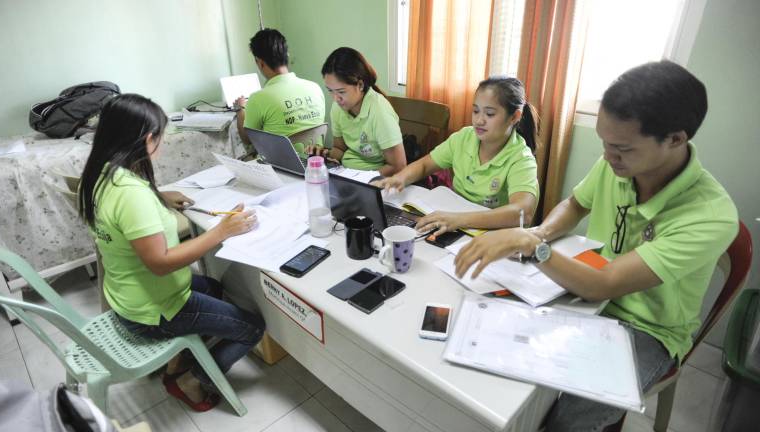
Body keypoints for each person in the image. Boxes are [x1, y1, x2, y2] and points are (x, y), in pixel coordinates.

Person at [453, 61, 738, 431]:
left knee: (569, 418)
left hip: (645, 328)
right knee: (498, 355)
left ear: (675, 139)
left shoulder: (710, 215)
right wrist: (539, 234)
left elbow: (604, 284)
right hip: (585, 294)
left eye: (621, 148)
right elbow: (575, 204)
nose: (607, 157)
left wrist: (533, 246)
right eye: (604, 143)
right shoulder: (618, 163)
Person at [78, 94, 265, 412]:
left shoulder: (101, 174)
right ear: (148, 139)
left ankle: (178, 358)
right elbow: (161, 264)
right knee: (253, 328)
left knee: (215, 288)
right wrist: (222, 231)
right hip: (153, 308)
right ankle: (192, 379)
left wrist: (159, 196)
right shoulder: (131, 196)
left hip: (127, 295)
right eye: (160, 136)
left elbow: (126, 216)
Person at [373, 76, 539, 235]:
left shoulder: (521, 158)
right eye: (475, 111)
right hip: (455, 224)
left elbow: (523, 212)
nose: (479, 120)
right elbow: (425, 165)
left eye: (489, 114)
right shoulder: (464, 138)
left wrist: (460, 220)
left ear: (514, 117)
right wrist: (401, 178)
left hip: (490, 236)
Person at [306, 47, 407, 176]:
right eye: (330, 91)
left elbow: (398, 166)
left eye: (341, 92)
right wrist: (325, 153)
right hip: (347, 173)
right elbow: (340, 149)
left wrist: (362, 179)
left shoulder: (379, 112)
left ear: (360, 85)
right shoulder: (338, 107)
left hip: (375, 180)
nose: (336, 99)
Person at [235, 28, 326, 157]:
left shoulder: (258, 98)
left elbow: (247, 139)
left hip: (280, 169)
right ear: (287, 55)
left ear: (260, 63)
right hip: (315, 164)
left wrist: (240, 109)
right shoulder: (315, 88)